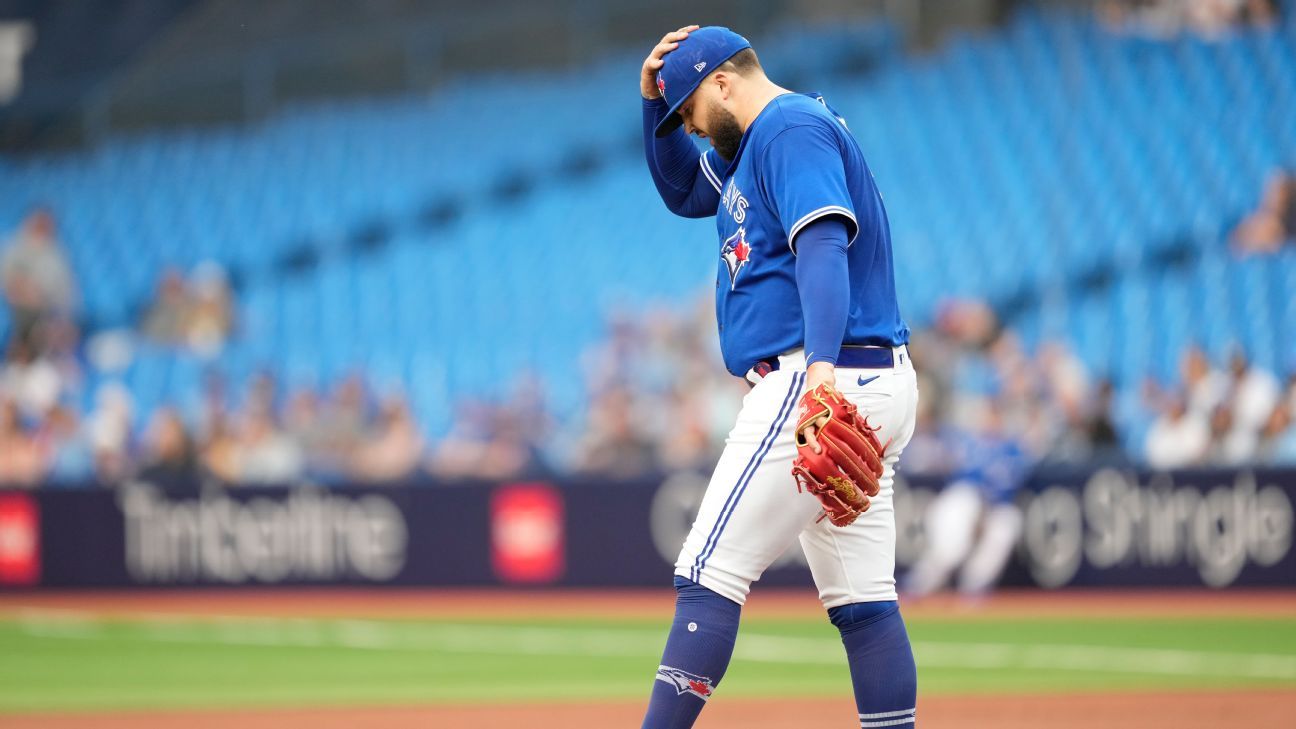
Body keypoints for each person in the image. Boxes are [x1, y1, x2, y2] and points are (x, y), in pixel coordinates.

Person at [638, 26, 917, 728]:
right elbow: (679, 191)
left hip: (819, 372)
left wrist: (819, 371)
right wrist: (653, 105)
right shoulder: (748, 150)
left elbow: (823, 241)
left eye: (690, 111)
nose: (691, 129)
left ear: (724, 82)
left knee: (707, 572)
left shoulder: (787, 127)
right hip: (863, 373)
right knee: (864, 601)